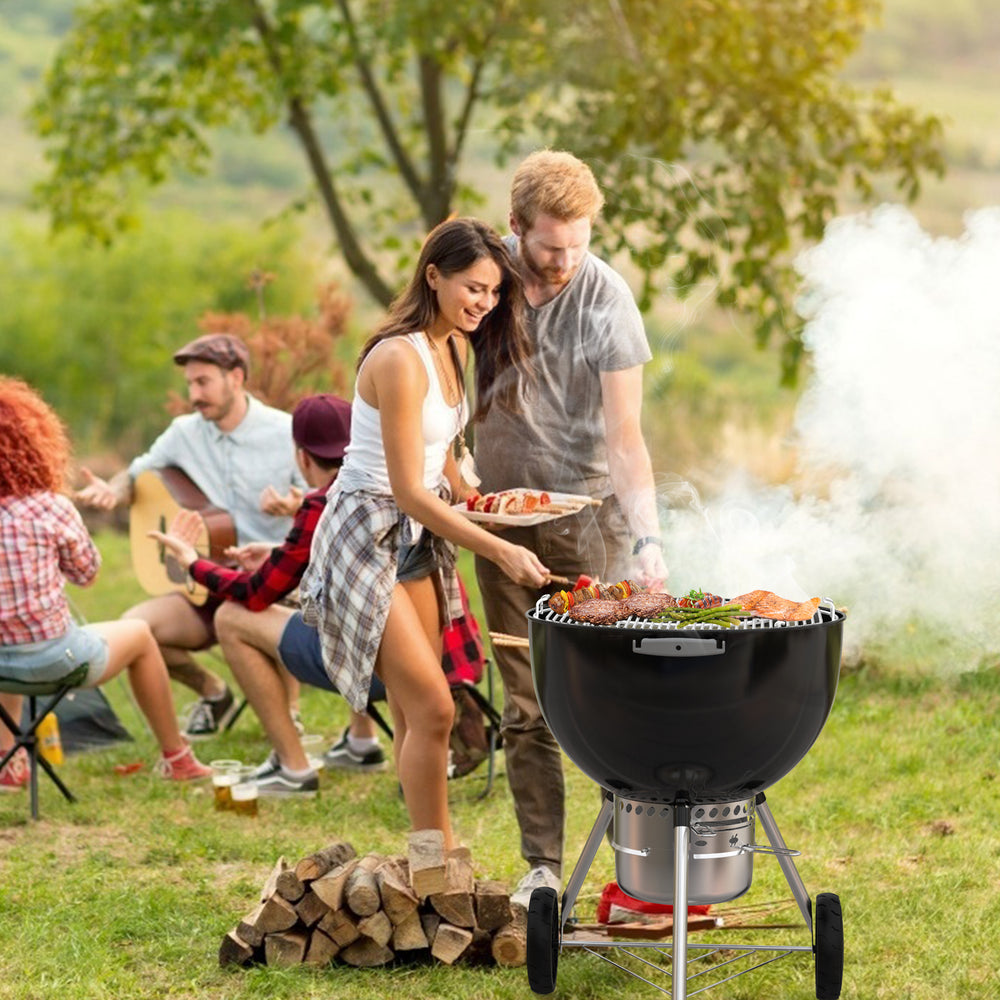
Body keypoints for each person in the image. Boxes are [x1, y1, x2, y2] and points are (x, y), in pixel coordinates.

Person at [300, 217, 550, 849]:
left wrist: (479, 500)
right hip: (367, 536)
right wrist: (497, 546)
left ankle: (426, 853)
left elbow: (438, 454)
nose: (484, 304)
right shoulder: (398, 358)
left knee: (421, 711)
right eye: (473, 288)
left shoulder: (453, 347)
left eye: (494, 292)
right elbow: (407, 487)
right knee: (437, 709)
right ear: (433, 276)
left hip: (417, 538)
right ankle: (436, 859)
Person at [472, 149, 670, 906]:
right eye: (550, 247)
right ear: (516, 226)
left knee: (608, 699)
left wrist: (647, 539)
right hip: (498, 522)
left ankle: (634, 861)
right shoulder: (483, 285)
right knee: (526, 705)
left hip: (591, 521)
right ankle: (543, 869)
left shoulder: (606, 296)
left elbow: (626, 436)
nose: (563, 262)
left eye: (577, 245)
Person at [147, 393, 387, 797]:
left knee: (232, 618)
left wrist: (192, 563)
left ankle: (293, 769)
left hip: (367, 669)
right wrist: (277, 555)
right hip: (422, 660)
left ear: (302, 457)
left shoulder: (320, 504)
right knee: (354, 599)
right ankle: (362, 743)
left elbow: (256, 595)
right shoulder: (386, 486)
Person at [74, 333, 306, 738]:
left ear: (236, 378)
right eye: (190, 384)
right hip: (206, 578)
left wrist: (293, 505)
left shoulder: (284, 431)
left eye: (204, 383)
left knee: (266, 625)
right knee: (136, 630)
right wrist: (112, 491)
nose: (194, 394)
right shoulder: (184, 432)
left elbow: (318, 501)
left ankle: (289, 718)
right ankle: (213, 692)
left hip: (269, 579)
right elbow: (136, 473)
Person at [0, 377, 211, 790]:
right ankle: (177, 757)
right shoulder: (51, 508)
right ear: (33, 444)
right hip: (57, 660)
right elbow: (88, 574)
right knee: (140, 636)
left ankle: (8, 764)